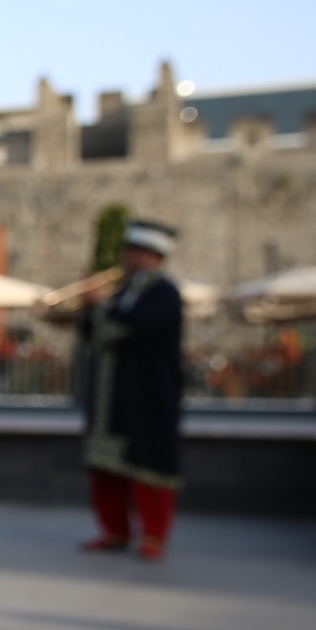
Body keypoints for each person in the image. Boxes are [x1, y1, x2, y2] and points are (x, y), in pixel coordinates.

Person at [71, 220, 186, 560]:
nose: (127, 257)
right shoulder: (121, 293)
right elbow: (93, 334)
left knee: (148, 466)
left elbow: (132, 328)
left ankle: (153, 534)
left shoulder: (164, 293)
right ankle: (114, 530)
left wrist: (99, 305)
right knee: (106, 467)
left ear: (153, 256)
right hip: (111, 396)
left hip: (147, 395)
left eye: (134, 251)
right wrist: (89, 308)